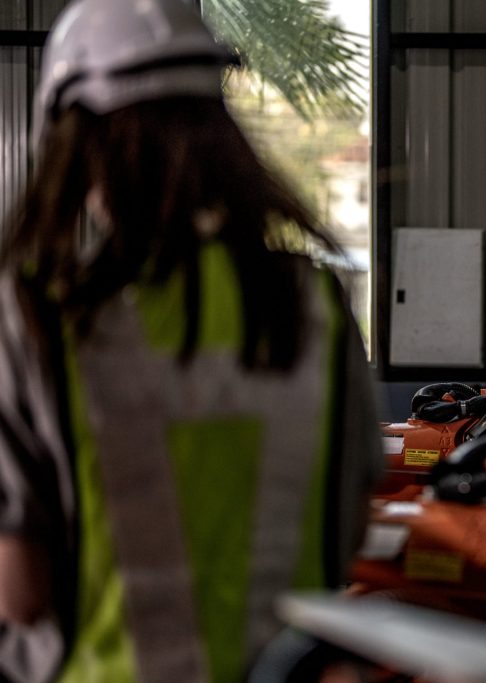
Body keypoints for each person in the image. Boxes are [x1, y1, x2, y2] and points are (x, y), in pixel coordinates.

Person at [0, 0, 382, 681]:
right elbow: (348, 528)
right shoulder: (315, 304)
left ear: (76, 141)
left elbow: (20, 591)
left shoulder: (40, 314)